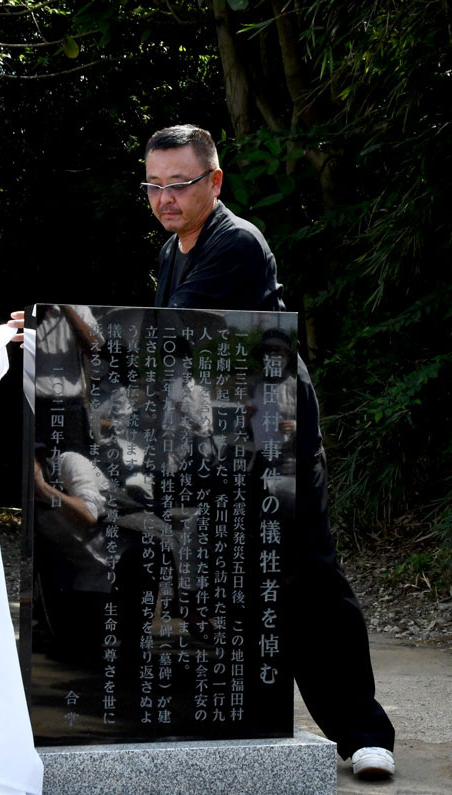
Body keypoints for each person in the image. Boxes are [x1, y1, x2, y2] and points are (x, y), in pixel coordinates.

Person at [141, 124, 396, 778]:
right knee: (234, 570)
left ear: (214, 181)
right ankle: (247, 724)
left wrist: (70, 331)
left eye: (180, 184)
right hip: (223, 437)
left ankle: (364, 731)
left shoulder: (237, 244)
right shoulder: (172, 253)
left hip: (276, 433)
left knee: (306, 569)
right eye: (155, 185)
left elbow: (174, 338)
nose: (166, 198)